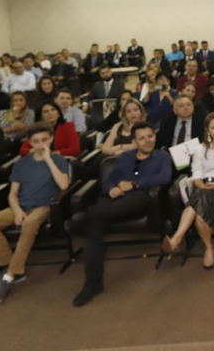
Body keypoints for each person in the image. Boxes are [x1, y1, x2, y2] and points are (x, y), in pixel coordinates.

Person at [66, 122, 171, 307]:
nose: (147, 141)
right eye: (142, 138)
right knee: (95, 225)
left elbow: (164, 177)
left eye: (150, 136)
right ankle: (93, 283)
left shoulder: (162, 156)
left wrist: (135, 184)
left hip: (138, 199)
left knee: (98, 215)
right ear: (134, 142)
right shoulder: (124, 157)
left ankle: (83, 218)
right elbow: (110, 179)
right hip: (113, 201)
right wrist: (112, 188)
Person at [0, 122, 70, 304]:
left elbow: (63, 185)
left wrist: (48, 160)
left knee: (29, 224)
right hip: (22, 205)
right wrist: (17, 211)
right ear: (29, 142)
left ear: (51, 139)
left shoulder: (59, 160)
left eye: (44, 140)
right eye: (36, 141)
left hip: (44, 206)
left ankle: (8, 277)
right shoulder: (21, 163)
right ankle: (13, 267)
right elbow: (12, 194)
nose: (41, 145)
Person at [162, 112, 214, 268]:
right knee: (200, 213)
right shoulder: (200, 149)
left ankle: (177, 238)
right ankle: (209, 247)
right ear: (208, 131)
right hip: (204, 188)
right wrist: (204, 186)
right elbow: (197, 175)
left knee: (198, 199)